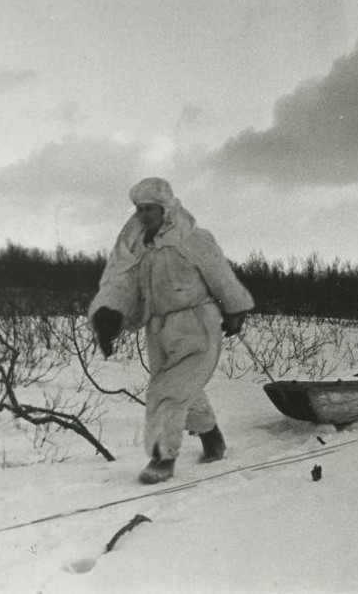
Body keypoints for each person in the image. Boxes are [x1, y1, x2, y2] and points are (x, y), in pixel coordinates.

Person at [88, 177, 254, 484]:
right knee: (180, 388)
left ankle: (162, 458)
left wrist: (235, 309)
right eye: (139, 209)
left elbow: (220, 275)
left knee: (167, 391)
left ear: (166, 207)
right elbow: (120, 283)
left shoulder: (192, 239)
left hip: (197, 325)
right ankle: (212, 437)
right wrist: (109, 315)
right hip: (159, 328)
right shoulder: (136, 248)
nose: (144, 215)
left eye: (150, 208)